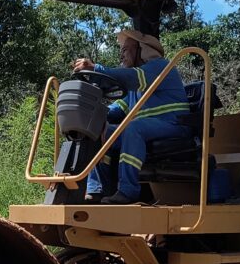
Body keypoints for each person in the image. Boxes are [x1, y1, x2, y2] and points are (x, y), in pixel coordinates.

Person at [73, 29, 191, 204]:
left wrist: (95, 69)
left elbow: (132, 78)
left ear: (142, 50)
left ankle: (128, 192)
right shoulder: (135, 89)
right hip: (149, 129)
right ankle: (98, 190)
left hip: (174, 126)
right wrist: (94, 114)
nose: (121, 55)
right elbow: (118, 108)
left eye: (126, 49)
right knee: (100, 130)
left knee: (133, 128)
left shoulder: (160, 67)